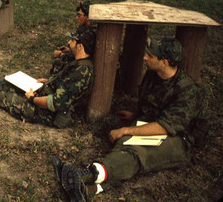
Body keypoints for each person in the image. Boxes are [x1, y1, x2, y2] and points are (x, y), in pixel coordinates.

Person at [55, 37, 205, 202]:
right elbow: (154, 108)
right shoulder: (153, 75)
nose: (145, 58)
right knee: (124, 143)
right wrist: (134, 117)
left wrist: (126, 129)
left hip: (179, 139)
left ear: (164, 62)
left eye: (150, 55)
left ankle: (89, 173)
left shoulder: (187, 90)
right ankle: (88, 190)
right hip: (155, 126)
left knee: (138, 153)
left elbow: (166, 126)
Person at [0, 31, 95, 128]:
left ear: (80, 46)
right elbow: (62, 83)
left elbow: (56, 103)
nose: (69, 42)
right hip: (43, 92)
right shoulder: (76, 60)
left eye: (73, 41)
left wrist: (32, 100)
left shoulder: (81, 72)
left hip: (48, 113)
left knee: (3, 97)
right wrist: (47, 81)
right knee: (6, 83)